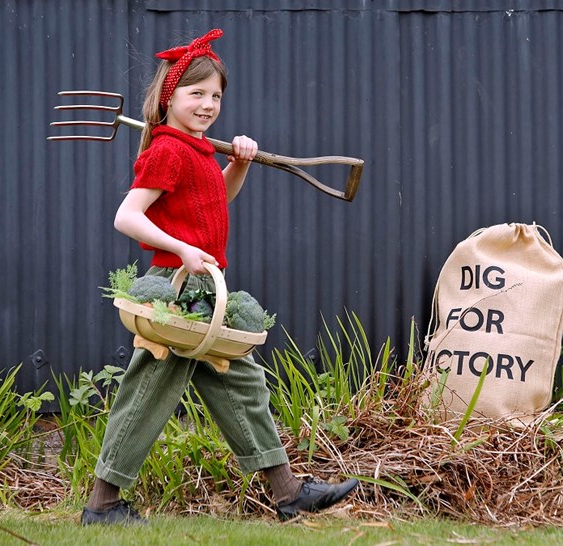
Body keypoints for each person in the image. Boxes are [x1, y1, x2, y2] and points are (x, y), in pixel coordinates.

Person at [80, 29, 358, 525]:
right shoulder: (167, 150)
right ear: (170, 98)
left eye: (216, 96)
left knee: (242, 384)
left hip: (208, 291)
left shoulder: (199, 150)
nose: (208, 104)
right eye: (196, 94)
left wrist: (239, 165)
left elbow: (213, 203)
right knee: (147, 393)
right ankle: (102, 504)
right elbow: (128, 216)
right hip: (176, 292)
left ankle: (288, 492)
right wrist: (182, 247)